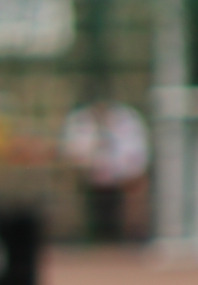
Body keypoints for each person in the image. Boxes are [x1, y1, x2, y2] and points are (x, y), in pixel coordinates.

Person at [62, 98, 149, 242]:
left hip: (121, 178)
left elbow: (137, 154)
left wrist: (121, 172)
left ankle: (126, 235)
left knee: (135, 187)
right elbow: (72, 152)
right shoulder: (80, 119)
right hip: (88, 177)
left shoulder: (127, 118)